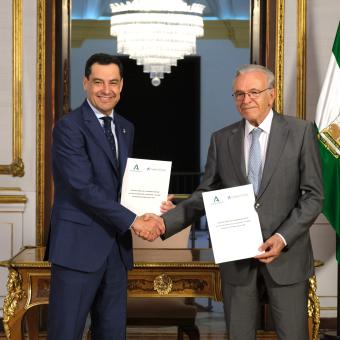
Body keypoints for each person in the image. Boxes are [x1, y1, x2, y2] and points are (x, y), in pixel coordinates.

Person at [159, 64, 324, 340]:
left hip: (287, 258)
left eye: (253, 92)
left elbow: (313, 195)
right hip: (238, 262)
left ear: (271, 94)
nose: (246, 100)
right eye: (238, 94)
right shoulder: (222, 139)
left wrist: (282, 238)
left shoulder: (301, 132)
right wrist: (167, 220)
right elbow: (205, 194)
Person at [45, 53, 164, 340]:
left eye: (112, 82)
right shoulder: (68, 127)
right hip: (77, 249)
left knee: (112, 333)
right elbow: (82, 187)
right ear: (85, 83)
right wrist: (134, 220)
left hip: (115, 250)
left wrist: (154, 202)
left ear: (122, 85)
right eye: (98, 82)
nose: (106, 90)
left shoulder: (125, 127)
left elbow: (120, 185)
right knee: (66, 333)